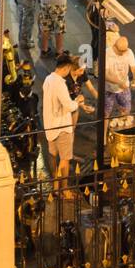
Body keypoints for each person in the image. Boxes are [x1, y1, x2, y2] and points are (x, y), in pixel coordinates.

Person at [42, 53, 82, 193]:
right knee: (65, 159)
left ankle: (55, 182)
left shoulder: (48, 79)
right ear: (65, 68)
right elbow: (69, 105)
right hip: (62, 127)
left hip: (49, 125)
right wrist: (77, 102)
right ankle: (64, 189)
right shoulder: (60, 84)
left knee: (52, 154)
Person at [103, 33, 135, 117]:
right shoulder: (107, 54)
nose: (123, 53)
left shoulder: (129, 52)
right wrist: (118, 82)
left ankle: (124, 128)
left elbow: (134, 69)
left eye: (124, 51)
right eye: (121, 51)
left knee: (126, 111)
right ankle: (104, 130)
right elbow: (105, 74)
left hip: (124, 88)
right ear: (115, 47)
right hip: (108, 89)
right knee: (105, 114)